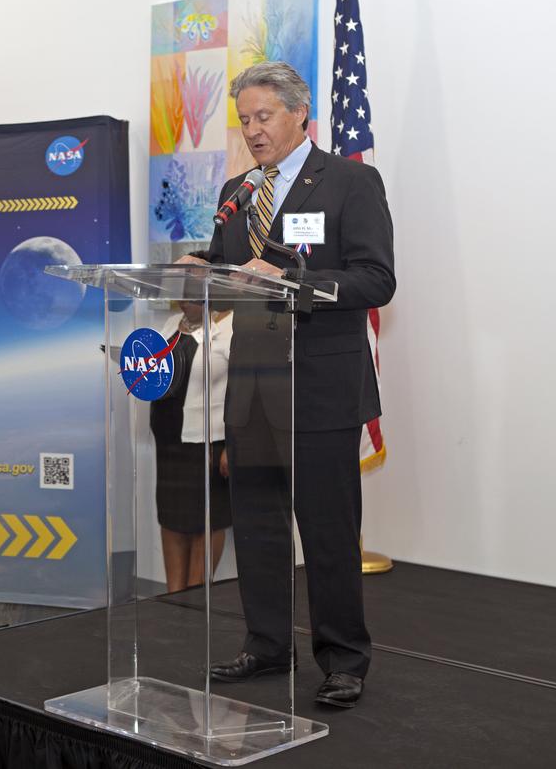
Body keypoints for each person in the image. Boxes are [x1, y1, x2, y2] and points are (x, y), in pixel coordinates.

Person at [178, 61, 395, 708]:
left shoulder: (350, 181)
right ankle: (268, 645)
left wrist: (291, 282)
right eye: (244, 119)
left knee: (327, 533)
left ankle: (344, 659)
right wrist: (197, 270)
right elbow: (228, 271)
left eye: (263, 116)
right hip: (251, 384)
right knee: (258, 526)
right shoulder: (240, 190)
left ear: (300, 114)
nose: (252, 130)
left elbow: (376, 279)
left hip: (322, 386)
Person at [150, 301, 234, 593]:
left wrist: (234, 444)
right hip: (169, 439)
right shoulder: (171, 324)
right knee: (171, 518)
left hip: (209, 442)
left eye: (192, 294)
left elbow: (244, 388)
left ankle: (197, 600)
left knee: (206, 522)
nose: (185, 301)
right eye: (183, 295)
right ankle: (174, 597)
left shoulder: (230, 326)